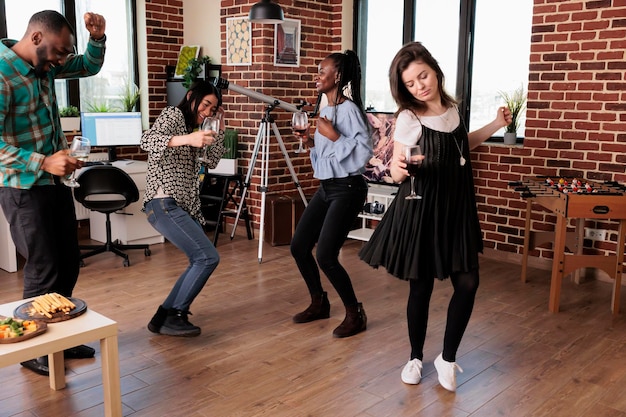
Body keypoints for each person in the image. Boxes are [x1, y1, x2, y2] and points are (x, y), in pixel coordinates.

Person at [359, 42, 512, 391]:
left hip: (456, 207)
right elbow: (398, 171)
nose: (419, 86)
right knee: (421, 287)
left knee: (468, 283)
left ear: (435, 70)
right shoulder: (409, 118)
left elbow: (462, 145)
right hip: (422, 208)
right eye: (410, 84)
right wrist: (397, 169)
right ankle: (414, 357)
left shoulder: (454, 108)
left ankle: (448, 357)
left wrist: (494, 124)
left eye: (422, 76)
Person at [0, 10, 106, 376]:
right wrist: (43, 162)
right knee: (43, 270)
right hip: (23, 188)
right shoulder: (2, 74)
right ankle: (34, 347)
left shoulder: (46, 65)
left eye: (65, 54)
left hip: (54, 185)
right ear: (35, 39)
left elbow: (88, 66)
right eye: (60, 53)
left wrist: (97, 38)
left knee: (68, 263)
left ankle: (59, 336)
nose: (63, 61)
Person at [290, 50, 373, 338]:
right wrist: (311, 139)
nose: (317, 76)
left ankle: (354, 312)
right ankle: (319, 302)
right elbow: (329, 153)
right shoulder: (325, 110)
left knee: (325, 255)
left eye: (322, 71)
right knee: (299, 246)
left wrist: (334, 136)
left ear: (337, 76)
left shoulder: (350, 111)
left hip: (348, 188)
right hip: (327, 187)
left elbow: (363, 155)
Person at [142, 80, 225, 337]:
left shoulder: (197, 128)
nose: (209, 111)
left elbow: (211, 159)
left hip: (177, 206)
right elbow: (147, 141)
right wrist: (189, 138)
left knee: (199, 259)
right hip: (163, 202)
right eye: (206, 104)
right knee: (207, 257)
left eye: (214, 109)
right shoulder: (173, 114)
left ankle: (162, 317)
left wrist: (217, 130)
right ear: (191, 96)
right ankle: (175, 314)